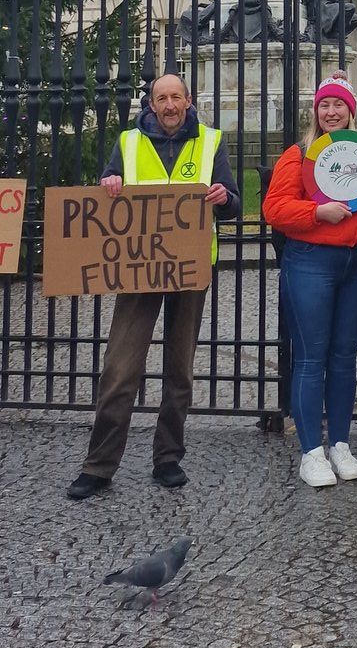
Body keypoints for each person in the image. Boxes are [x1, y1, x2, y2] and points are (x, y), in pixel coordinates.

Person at [66, 74, 238, 500]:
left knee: (179, 368)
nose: (169, 105)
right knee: (120, 368)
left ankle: (168, 458)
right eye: (162, 98)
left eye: (176, 97)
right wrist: (109, 184)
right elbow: (109, 186)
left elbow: (234, 203)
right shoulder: (128, 142)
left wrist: (223, 198)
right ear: (152, 104)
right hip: (138, 269)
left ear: (188, 101)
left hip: (191, 267)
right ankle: (99, 465)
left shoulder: (212, 141)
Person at [262, 75, 357, 488]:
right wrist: (317, 214)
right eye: (324, 105)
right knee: (311, 358)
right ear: (315, 111)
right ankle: (312, 450)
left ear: (352, 111)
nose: (331, 112)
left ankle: (341, 443)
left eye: (339, 105)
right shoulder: (297, 156)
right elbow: (274, 208)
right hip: (311, 261)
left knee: (344, 357)